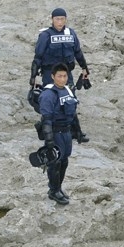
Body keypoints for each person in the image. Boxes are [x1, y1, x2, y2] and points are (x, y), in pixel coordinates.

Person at [30, 8, 90, 143]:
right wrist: (33, 77)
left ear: (66, 19)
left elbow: (78, 53)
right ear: (52, 19)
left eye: (62, 19)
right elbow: (38, 57)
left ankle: (77, 132)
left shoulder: (71, 34)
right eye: (57, 19)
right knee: (51, 101)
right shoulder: (45, 35)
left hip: (66, 73)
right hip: (49, 74)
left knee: (70, 100)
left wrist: (84, 68)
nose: (60, 22)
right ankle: (47, 131)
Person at [39, 64, 78, 205]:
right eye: (59, 76)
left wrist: (77, 131)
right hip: (55, 132)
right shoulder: (48, 94)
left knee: (64, 161)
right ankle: (53, 190)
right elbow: (46, 118)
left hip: (66, 131)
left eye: (65, 76)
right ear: (53, 76)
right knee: (54, 163)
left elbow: (73, 111)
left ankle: (59, 188)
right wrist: (49, 139)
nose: (62, 79)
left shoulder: (68, 90)